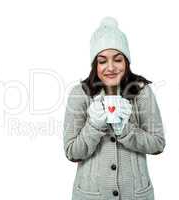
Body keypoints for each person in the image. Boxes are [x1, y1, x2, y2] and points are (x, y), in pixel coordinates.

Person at [63, 16, 166, 200]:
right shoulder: (79, 94)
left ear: (126, 61)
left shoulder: (142, 92)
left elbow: (158, 144)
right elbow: (71, 152)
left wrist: (126, 130)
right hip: (90, 195)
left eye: (117, 59)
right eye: (102, 61)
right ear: (95, 65)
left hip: (136, 195)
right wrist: (93, 126)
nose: (110, 67)